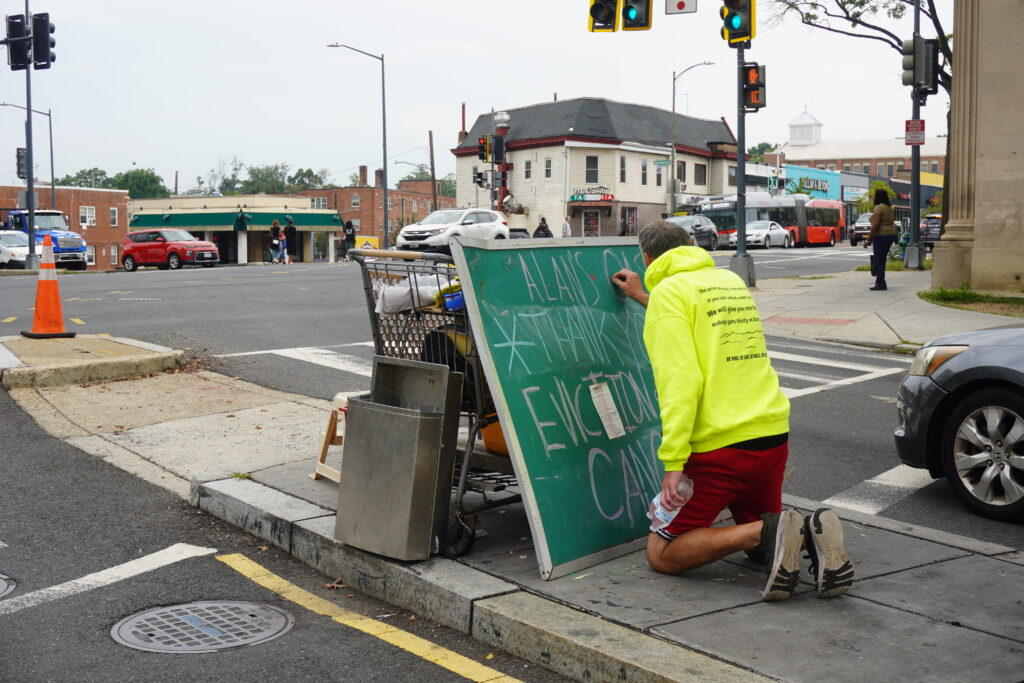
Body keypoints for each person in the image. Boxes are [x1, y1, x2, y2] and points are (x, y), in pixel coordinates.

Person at [611, 221, 853, 602]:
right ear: (691, 244)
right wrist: (646, 297)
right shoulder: (728, 282)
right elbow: (702, 326)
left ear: (646, 258)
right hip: (771, 438)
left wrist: (673, 463)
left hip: (722, 450)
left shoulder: (669, 295)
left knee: (663, 553)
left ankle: (771, 532)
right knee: (761, 550)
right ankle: (805, 530)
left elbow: (680, 383)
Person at [863, 188, 897, 291]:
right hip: (890, 235)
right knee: (881, 259)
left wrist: (869, 239)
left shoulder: (879, 207)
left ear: (877, 197)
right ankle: (881, 281)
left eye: (875, 196)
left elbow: (876, 224)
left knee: (879, 260)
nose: (873, 197)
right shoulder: (888, 207)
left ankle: (880, 283)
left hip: (881, 236)